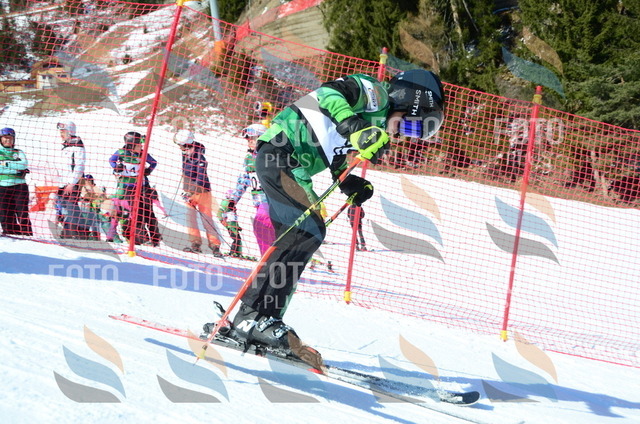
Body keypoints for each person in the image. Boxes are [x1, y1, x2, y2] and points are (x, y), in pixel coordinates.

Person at [206, 70, 445, 352]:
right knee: (306, 231)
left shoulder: (375, 122)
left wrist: (346, 181)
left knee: (301, 236)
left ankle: (260, 318)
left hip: (291, 165)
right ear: (407, 100)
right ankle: (254, 318)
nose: (404, 135)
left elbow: (336, 148)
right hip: (281, 152)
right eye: (412, 126)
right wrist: (355, 125)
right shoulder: (374, 93)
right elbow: (327, 95)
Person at [218, 123, 276, 258]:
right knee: (267, 229)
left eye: (252, 139)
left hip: (272, 200)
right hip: (259, 202)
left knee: (261, 223)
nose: (249, 142)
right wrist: (233, 200)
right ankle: (271, 259)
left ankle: (269, 259)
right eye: (248, 139)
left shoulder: (271, 156)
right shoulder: (249, 158)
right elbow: (243, 180)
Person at [174, 129, 223, 256]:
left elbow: (200, 177)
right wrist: (186, 190)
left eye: (181, 145)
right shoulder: (186, 153)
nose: (180, 148)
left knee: (206, 218)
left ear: (186, 144)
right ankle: (195, 243)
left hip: (202, 192)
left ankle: (215, 245)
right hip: (189, 192)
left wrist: (192, 191)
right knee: (190, 218)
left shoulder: (199, 157)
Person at [109, 131, 161, 246]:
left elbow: (153, 162)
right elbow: (111, 160)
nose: (141, 147)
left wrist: (148, 170)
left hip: (143, 187)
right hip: (129, 188)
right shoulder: (121, 152)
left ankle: (155, 238)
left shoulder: (143, 153)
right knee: (137, 213)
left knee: (148, 212)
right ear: (131, 145)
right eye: (139, 145)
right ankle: (142, 238)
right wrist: (116, 167)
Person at [55, 120, 92, 239]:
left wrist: (71, 183)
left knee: (71, 206)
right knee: (68, 206)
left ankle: (71, 233)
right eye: (60, 131)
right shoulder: (65, 146)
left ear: (70, 131)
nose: (61, 134)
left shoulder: (77, 145)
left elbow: (79, 166)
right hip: (64, 183)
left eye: (64, 131)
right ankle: (81, 232)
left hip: (73, 182)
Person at [0, 127, 32, 236]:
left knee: (22, 213)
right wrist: (15, 169)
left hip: (20, 187)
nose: (8, 140)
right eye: (5, 138)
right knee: (5, 214)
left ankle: (27, 235)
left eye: (10, 138)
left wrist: (5, 164)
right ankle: (9, 234)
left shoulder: (18, 152)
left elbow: (23, 164)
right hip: (3, 187)